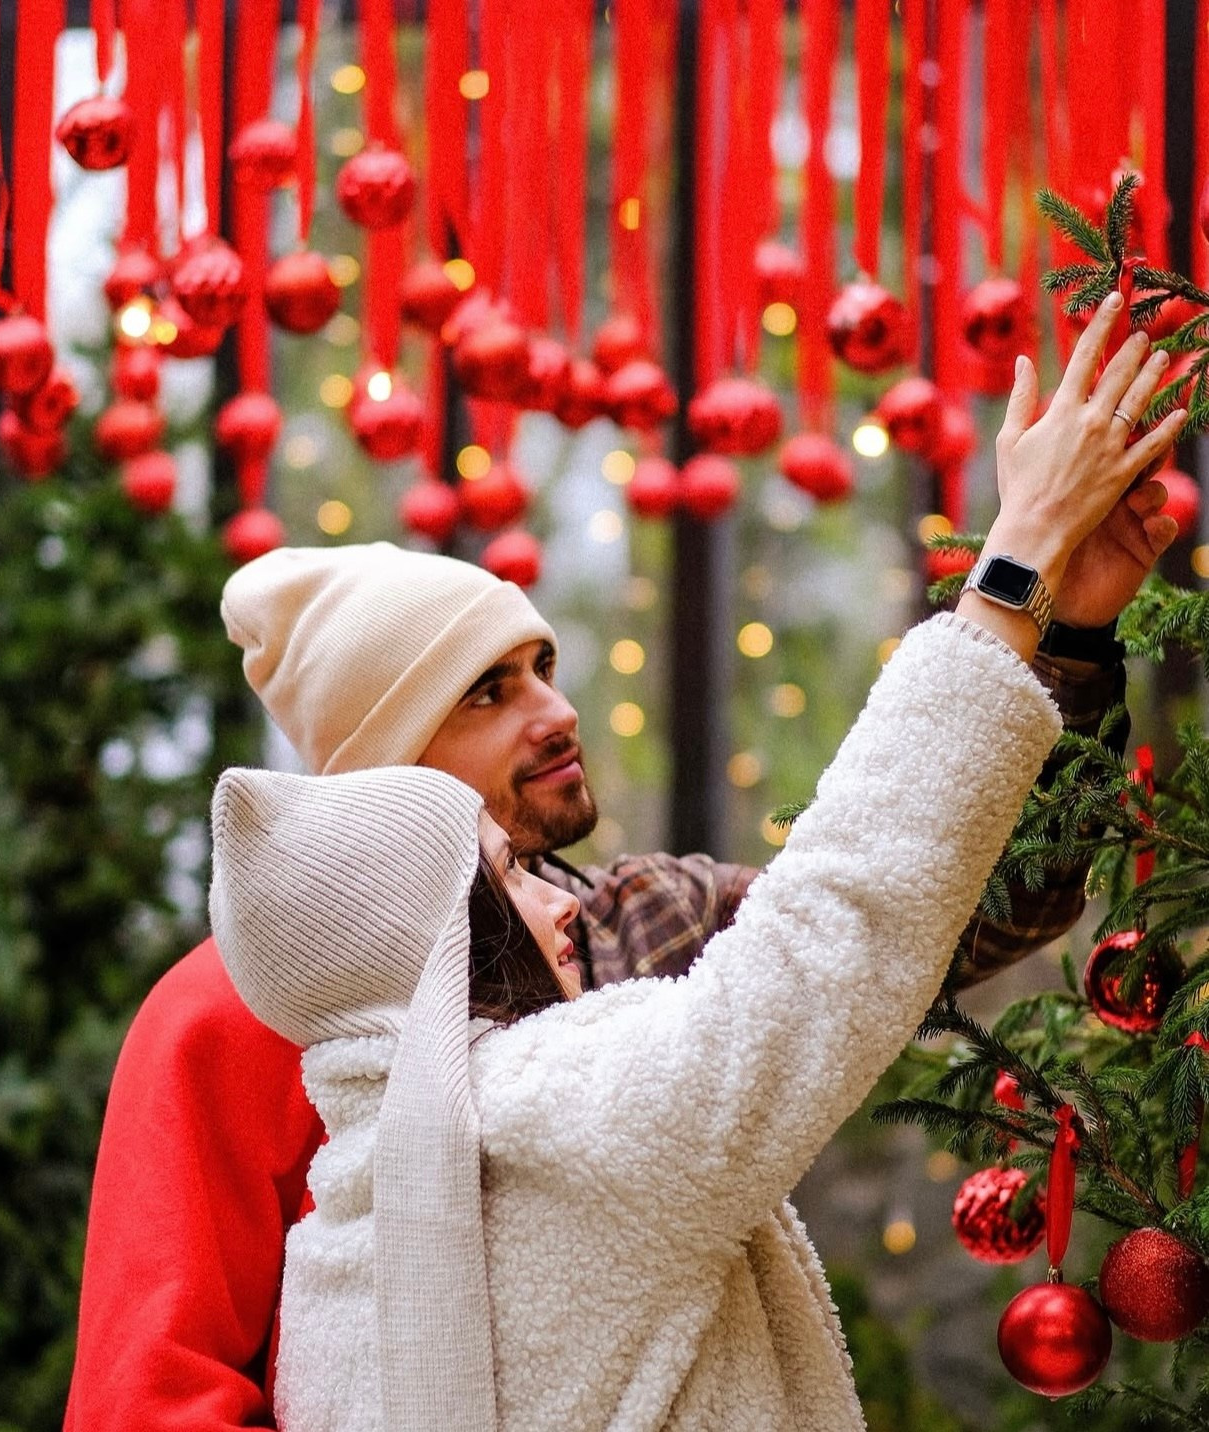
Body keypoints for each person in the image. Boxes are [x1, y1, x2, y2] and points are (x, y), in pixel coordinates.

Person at [63, 296, 1183, 1429]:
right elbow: (152, 1390)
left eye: (542, 665)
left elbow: (939, 912)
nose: (554, 711)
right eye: (488, 692)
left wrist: (1071, 648)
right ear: (385, 770)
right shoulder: (245, 1006)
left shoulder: (646, 914)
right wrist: (1008, 579)